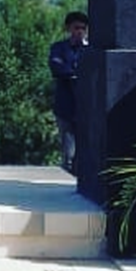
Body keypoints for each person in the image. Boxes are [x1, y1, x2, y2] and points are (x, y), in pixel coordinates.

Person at [48, 10, 89, 174]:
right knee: (69, 154)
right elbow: (57, 67)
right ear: (68, 28)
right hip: (66, 107)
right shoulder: (59, 48)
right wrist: (74, 74)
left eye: (83, 28)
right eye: (76, 27)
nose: (79, 31)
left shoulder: (90, 50)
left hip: (86, 109)